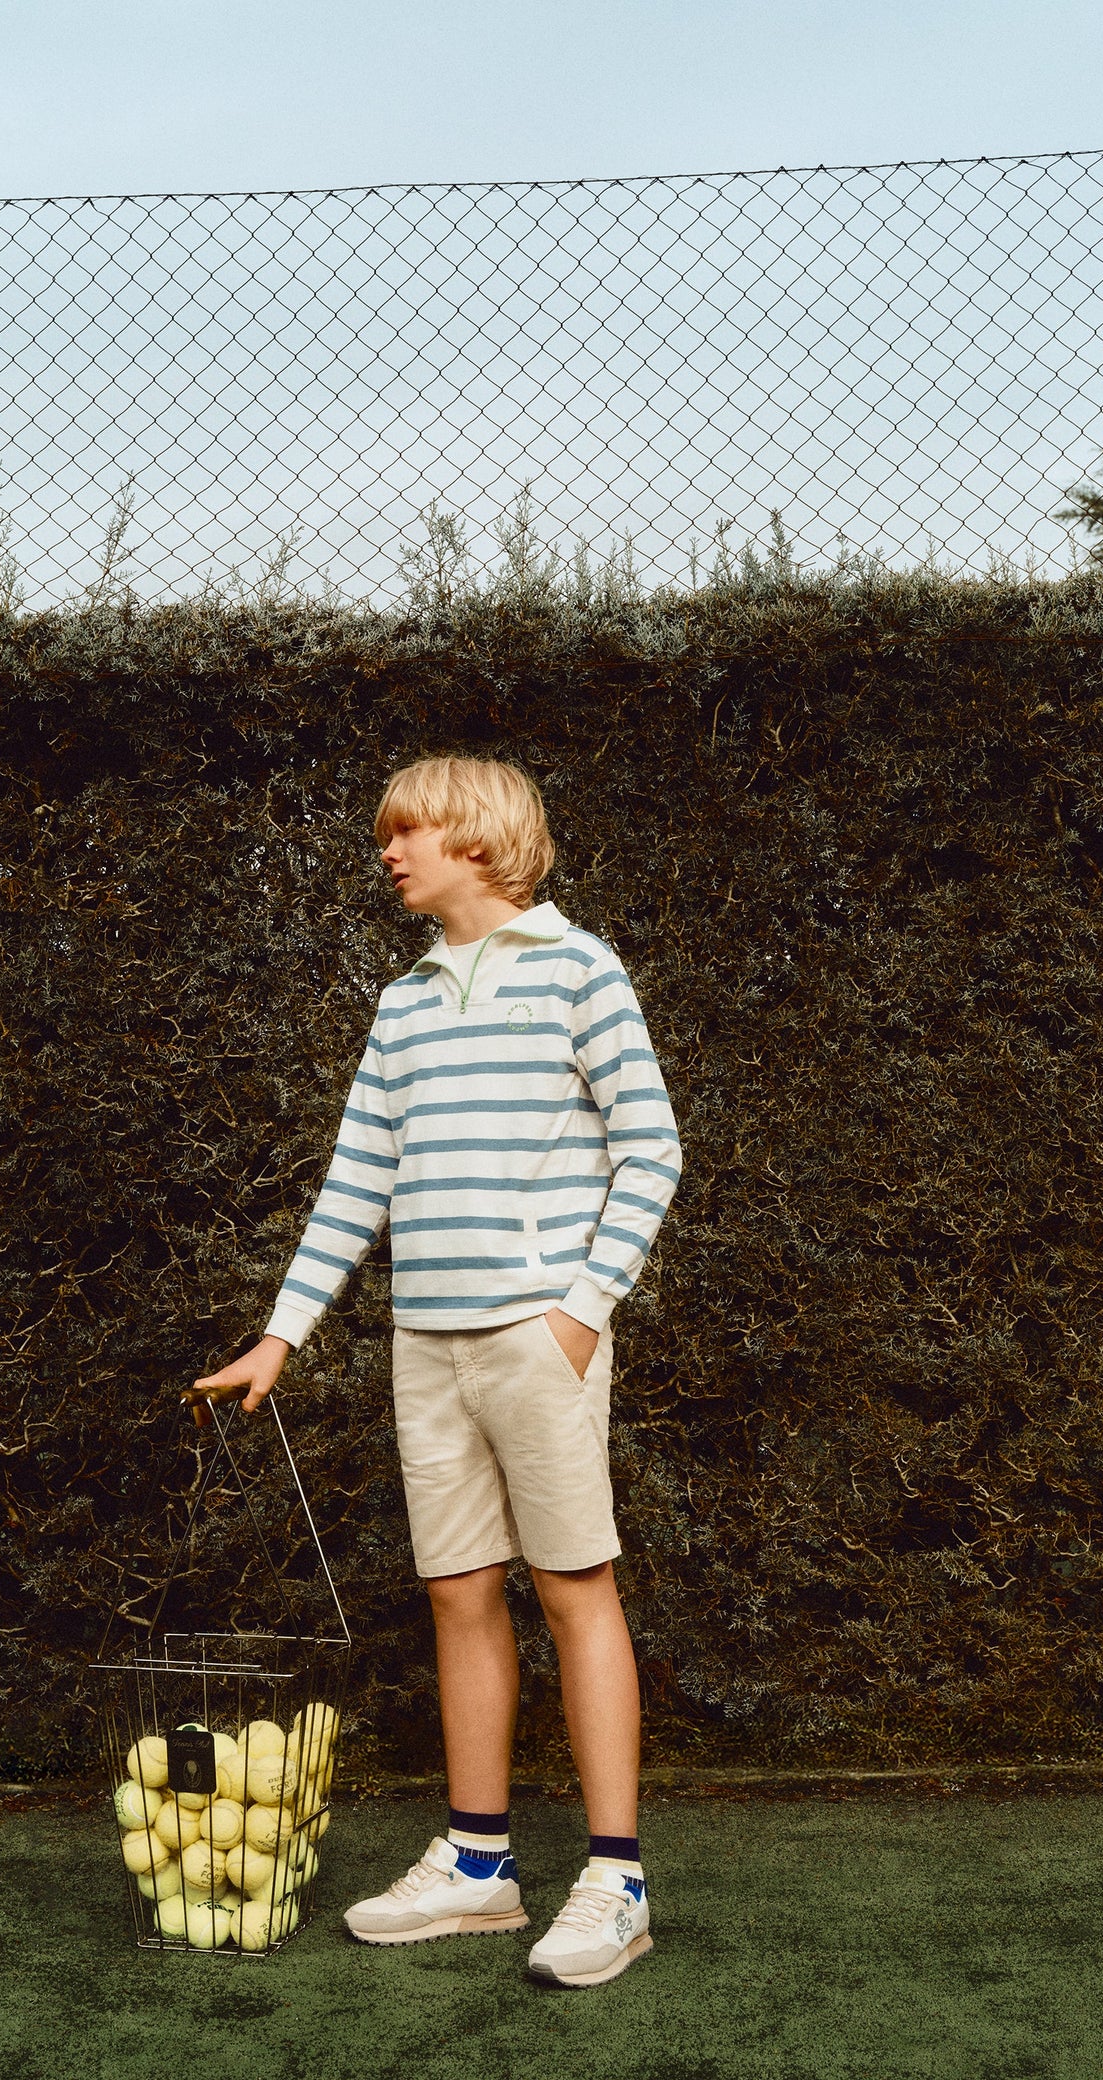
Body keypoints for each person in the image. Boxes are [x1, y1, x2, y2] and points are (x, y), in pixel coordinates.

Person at [183, 754, 680, 1988]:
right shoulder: (402, 1000)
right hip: (425, 1345)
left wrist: (576, 1311)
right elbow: (357, 1179)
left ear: (477, 839)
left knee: (575, 1588)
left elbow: (652, 1148)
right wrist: (281, 1335)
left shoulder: (581, 968)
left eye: (407, 833)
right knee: (460, 1593)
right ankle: (478, 1869)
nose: (387, 853)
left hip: (535, 1341)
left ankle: (614, 1882)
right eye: (386, 835)